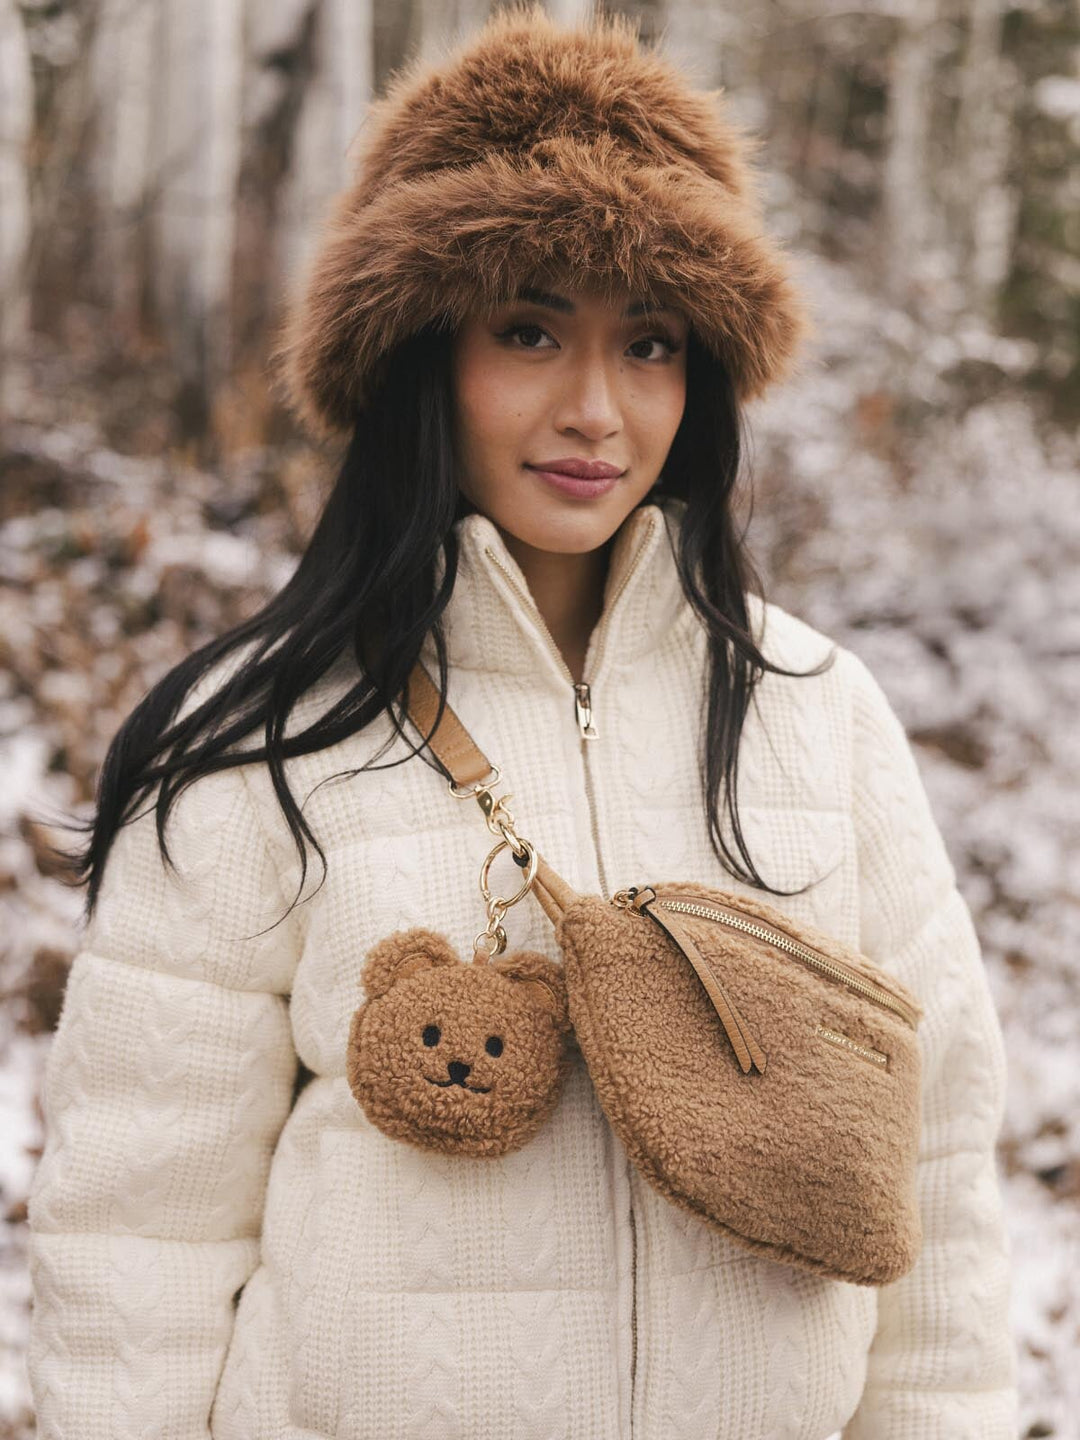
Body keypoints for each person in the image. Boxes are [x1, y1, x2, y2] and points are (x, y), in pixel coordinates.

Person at [26, 4, 1018, 1437]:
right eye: (531, 329)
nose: (597, 410)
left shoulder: (816, 715)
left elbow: (929, 1181)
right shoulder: (259, 743)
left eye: (653, 344)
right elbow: (138, 1232)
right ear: (420, 355)